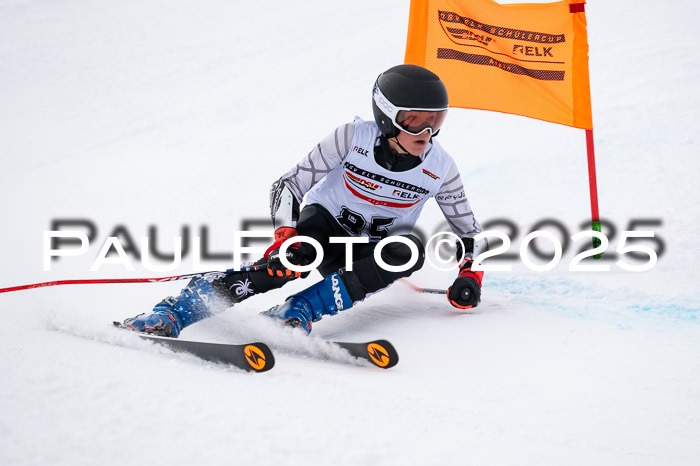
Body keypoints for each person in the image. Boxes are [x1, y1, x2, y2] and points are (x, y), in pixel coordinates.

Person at [121, 64, 484, 338]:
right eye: (413, 120)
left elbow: (470, 232)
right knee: (295, 258)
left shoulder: (440, 167)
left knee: (408, 251)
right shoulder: (351, 137)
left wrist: (470, 274)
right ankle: (178, 311)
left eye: (435, 121)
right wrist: (285, 236)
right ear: (387, 116)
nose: (426, 133)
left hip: (367, 252)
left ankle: (298, 311)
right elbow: (289, 185)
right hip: (323, 229)